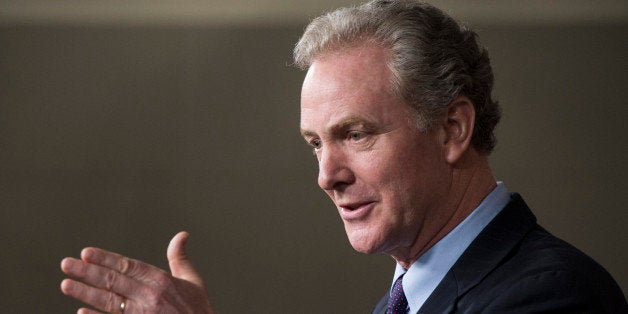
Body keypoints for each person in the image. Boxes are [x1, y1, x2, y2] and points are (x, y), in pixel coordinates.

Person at [60, 1, 627, 313]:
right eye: (315, 143)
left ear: (452, 128)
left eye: (355, 134)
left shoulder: (553, 296)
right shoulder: (403, 300)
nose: (326, 176)